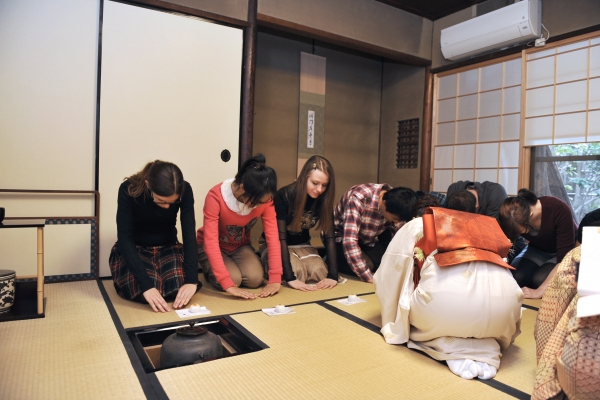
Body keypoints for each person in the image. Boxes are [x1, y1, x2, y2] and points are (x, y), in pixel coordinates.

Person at [374, 207, 522, 380]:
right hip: (505, 309)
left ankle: (450, 344)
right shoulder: (484, 226)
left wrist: (396, 313)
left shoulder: (417, 224)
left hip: (445, 306)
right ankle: (484, 342)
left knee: (420, 308)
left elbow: (392, 268)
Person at [109, 160, 199, 313]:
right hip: (137, 249)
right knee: (146, 291)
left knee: (176, 290)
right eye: (162, 201)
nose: (167, 207)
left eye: (172, 202)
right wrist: (146, 286)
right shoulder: (128, 189)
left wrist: (192, 280)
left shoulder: (185, 189)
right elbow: (125, 238)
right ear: (148, 185)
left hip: (168, 247)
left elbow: (189, 234)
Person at [197, 154, 282, 299]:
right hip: (212, 245)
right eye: (257, 202)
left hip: (239, 246)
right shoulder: (216, 196)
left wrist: (275, 278)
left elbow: (272, 237)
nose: (261, 206)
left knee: (255, 279)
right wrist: (227, 283)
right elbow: (210, 242)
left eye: (265, 201)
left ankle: (225, 269)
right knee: (234, 280)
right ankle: (208, 270)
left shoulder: (265, 199)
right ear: (242, 188)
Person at [260, 156, 339, 291]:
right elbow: (281, 238)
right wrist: (290, 278)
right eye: (315, 183)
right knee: (297, 273)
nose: (319, 189)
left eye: (324, 185)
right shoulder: (284, 195)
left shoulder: (323, 199)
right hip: (278, 244)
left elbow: (329, 237)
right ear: (304, 177)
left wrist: (333, 275)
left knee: (320, 272)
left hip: (302, 244)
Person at [499, 189, 578, 299]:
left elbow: (564, 259)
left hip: (561, 254)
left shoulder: (558, 209)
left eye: (521, 232)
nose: (520, 234)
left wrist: (538, 292)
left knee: (539, 279)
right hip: (536, 249)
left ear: (530, 215)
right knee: (516, 277)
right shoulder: (515, 217)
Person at [333, 184, 416, 282]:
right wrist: (368, 277)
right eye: (394, 219)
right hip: (340, 238)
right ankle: (332, 260)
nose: (396, 223)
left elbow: (397, 235)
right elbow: (349, 241)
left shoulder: (396, 200)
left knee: (385, 263)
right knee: (368, 266)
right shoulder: (359, 197)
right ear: (384, 204)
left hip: (366, 240)